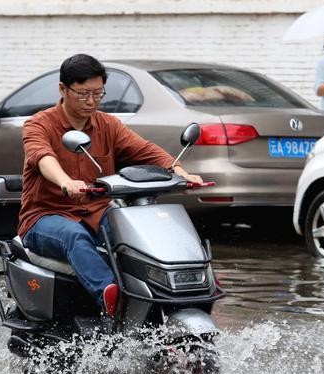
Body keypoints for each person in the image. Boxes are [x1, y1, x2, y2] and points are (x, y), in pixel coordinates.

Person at [17, 54, 203, 317]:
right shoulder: (39, 124)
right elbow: (42, 157)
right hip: (45, 217)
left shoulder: (108, 125)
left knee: (140, 231)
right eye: (83, 94)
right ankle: (112, 300)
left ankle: (167, 295)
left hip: (97, 212)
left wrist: (181, 172)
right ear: (63, 89)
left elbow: (145, 150)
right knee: (74, 236)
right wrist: (65, 181)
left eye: (98, 93)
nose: (91, 101)